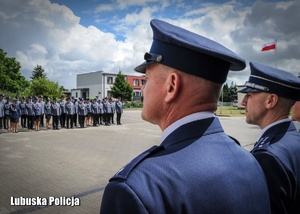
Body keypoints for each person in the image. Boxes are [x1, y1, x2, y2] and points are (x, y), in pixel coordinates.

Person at [100, 19, 271, 214]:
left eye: (146, 79)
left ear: (171, 86)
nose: (143, 89)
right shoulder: (249, 161)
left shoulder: (138, 189)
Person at [239, 62, 300, 214]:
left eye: (249, 95)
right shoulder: (295, 138)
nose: (243, 102)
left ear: (270, 101)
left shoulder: (268, 157)